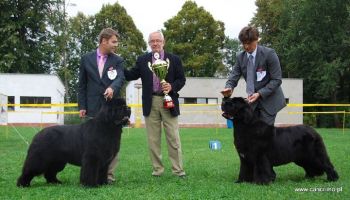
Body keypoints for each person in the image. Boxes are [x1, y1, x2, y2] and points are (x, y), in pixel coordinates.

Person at [124, 31, 186, 177]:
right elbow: (131, 75)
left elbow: (181, 79)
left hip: (168, 101)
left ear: (163, 42)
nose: (155, 43)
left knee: (173, 137)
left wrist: (171, 86)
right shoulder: (142, 59)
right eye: (152, 41)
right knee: (153, 139)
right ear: (149, 43)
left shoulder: (174, 59)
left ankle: (178, 170)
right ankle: (158, 170)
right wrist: (117, 65)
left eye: (158, 40)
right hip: (150, 102)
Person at [78, 27, 125, 183]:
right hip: (92, 106)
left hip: (110, 109)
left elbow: (119, 79)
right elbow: (82, 85)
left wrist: (112, 88)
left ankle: (108, 175)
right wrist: (82, 106)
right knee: (91, 143)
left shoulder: (117, 60)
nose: (115, 45)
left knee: (112, 141)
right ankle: (89, 175)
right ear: (104, 41)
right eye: (113, 41)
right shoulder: (86, 59)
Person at [221, 26, 286, 125]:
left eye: (249, 43)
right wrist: (228, 87)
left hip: (269, 101)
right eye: (243, 43)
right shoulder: (240, 57)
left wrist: (259, 93)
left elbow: (276, 80)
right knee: (250, 134)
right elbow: (233, 76)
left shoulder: (269, 54)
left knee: (263, 135)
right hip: (252, 103)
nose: (246, 47)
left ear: (257, 40)